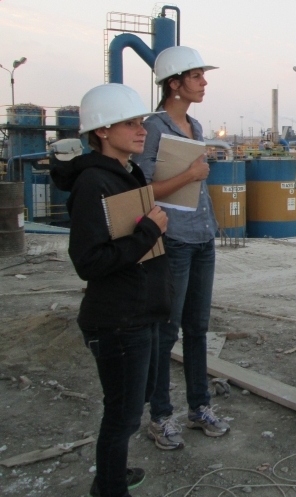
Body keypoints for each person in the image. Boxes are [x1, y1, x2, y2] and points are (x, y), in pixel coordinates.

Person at [51, 84, 170, 497]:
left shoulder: (127, 174)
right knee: (121, 416)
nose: (141, 130)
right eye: (130, 123)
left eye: (141, 122)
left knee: (128, 411)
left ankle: (112, 476)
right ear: (101, 131)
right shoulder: (93, 184)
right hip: (119, 321)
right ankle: (109, 489)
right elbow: (89, 261)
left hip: (142, 312)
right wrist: (148, 232)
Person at [135, 46, 230, 451]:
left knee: (197, 328)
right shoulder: (153, 127)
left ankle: (199, 407)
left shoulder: (194, 124)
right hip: (172, 240)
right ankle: (160, 415)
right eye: (196, 76)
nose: (204, 82)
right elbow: (140, 190)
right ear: (174, 83)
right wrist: (191, 173)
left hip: (202, 236)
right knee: (166, 329)